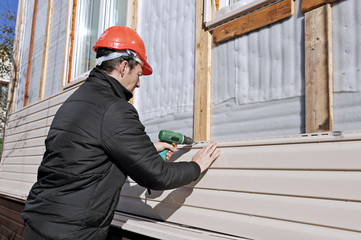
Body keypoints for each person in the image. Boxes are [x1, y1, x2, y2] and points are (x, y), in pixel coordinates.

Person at [21, 26, 221, 240]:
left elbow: (86, 151)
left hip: (38, 226)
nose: (139, 83)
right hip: (72, 234)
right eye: (139, 72)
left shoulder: (75, 102)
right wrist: (196, 165)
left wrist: (148, 148)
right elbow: (157, 176)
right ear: (124, 66)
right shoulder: (115, 108)